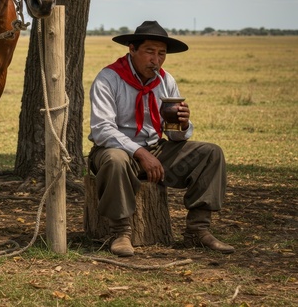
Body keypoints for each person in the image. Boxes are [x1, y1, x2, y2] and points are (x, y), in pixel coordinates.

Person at [88, 20, 234, 257]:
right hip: (114, 151)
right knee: (115, 160)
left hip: (155, 149)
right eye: (149, 52)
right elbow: (102, 129)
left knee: (211, 153)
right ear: (132, 49)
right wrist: (140, 153)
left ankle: (198, 230)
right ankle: (121, 232)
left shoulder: (165, 81)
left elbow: (173, 134)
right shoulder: (109, 78)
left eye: (162, 54)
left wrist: (183, 124)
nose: (156, 60)